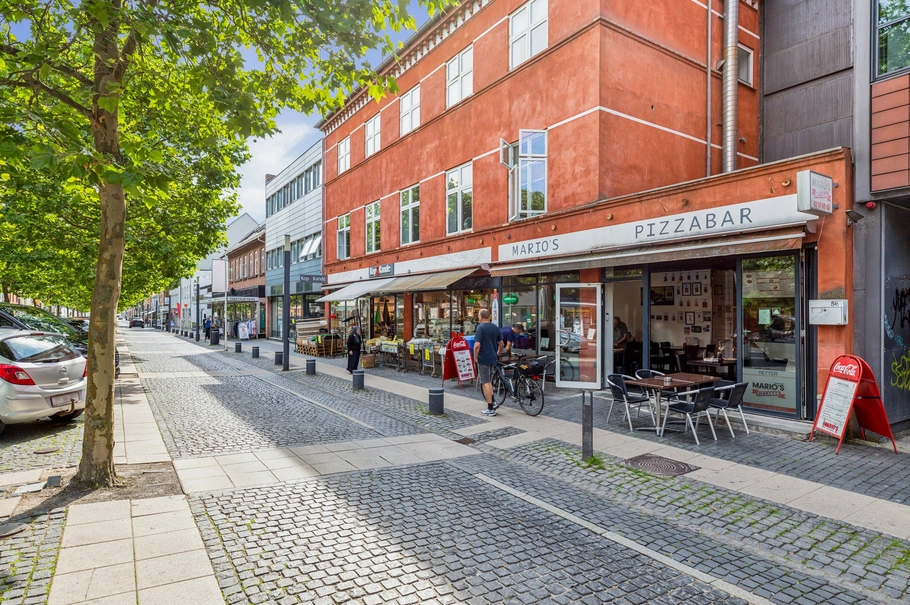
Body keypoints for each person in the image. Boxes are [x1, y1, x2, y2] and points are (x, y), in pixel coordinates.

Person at [473, 309, 503, 417]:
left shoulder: (480, 328)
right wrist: (498, 353)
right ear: (489, 316)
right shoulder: (495, 327)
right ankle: (493, 401)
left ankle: (490, 408)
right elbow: (501, 343)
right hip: (492, 358)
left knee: (485, 382)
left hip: (484, 358)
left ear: (480, 316)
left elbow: (477, 345)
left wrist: (475, 357)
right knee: (489, 381)